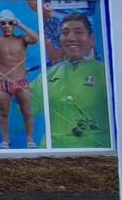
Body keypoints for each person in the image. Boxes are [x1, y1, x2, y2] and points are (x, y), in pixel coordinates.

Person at [0, 10, 40, 149]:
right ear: (0, 25)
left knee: (27, 112)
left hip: (21, 82)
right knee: (4, 113)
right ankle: (5, 140)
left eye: (10, 23)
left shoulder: (22, 39)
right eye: (3, 23)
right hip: (3, 83)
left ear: (14, 24)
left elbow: (35, 38)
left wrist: (21, 25)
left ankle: (30, 139)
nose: (6, 26)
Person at [46, 13, 110, 149]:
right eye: (65, 33)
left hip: (94, 152)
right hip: (51, 152)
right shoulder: (50, 74)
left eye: (78, 32)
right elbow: (25, 106)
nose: (71, 38)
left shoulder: (105, 74)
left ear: (91, 39)